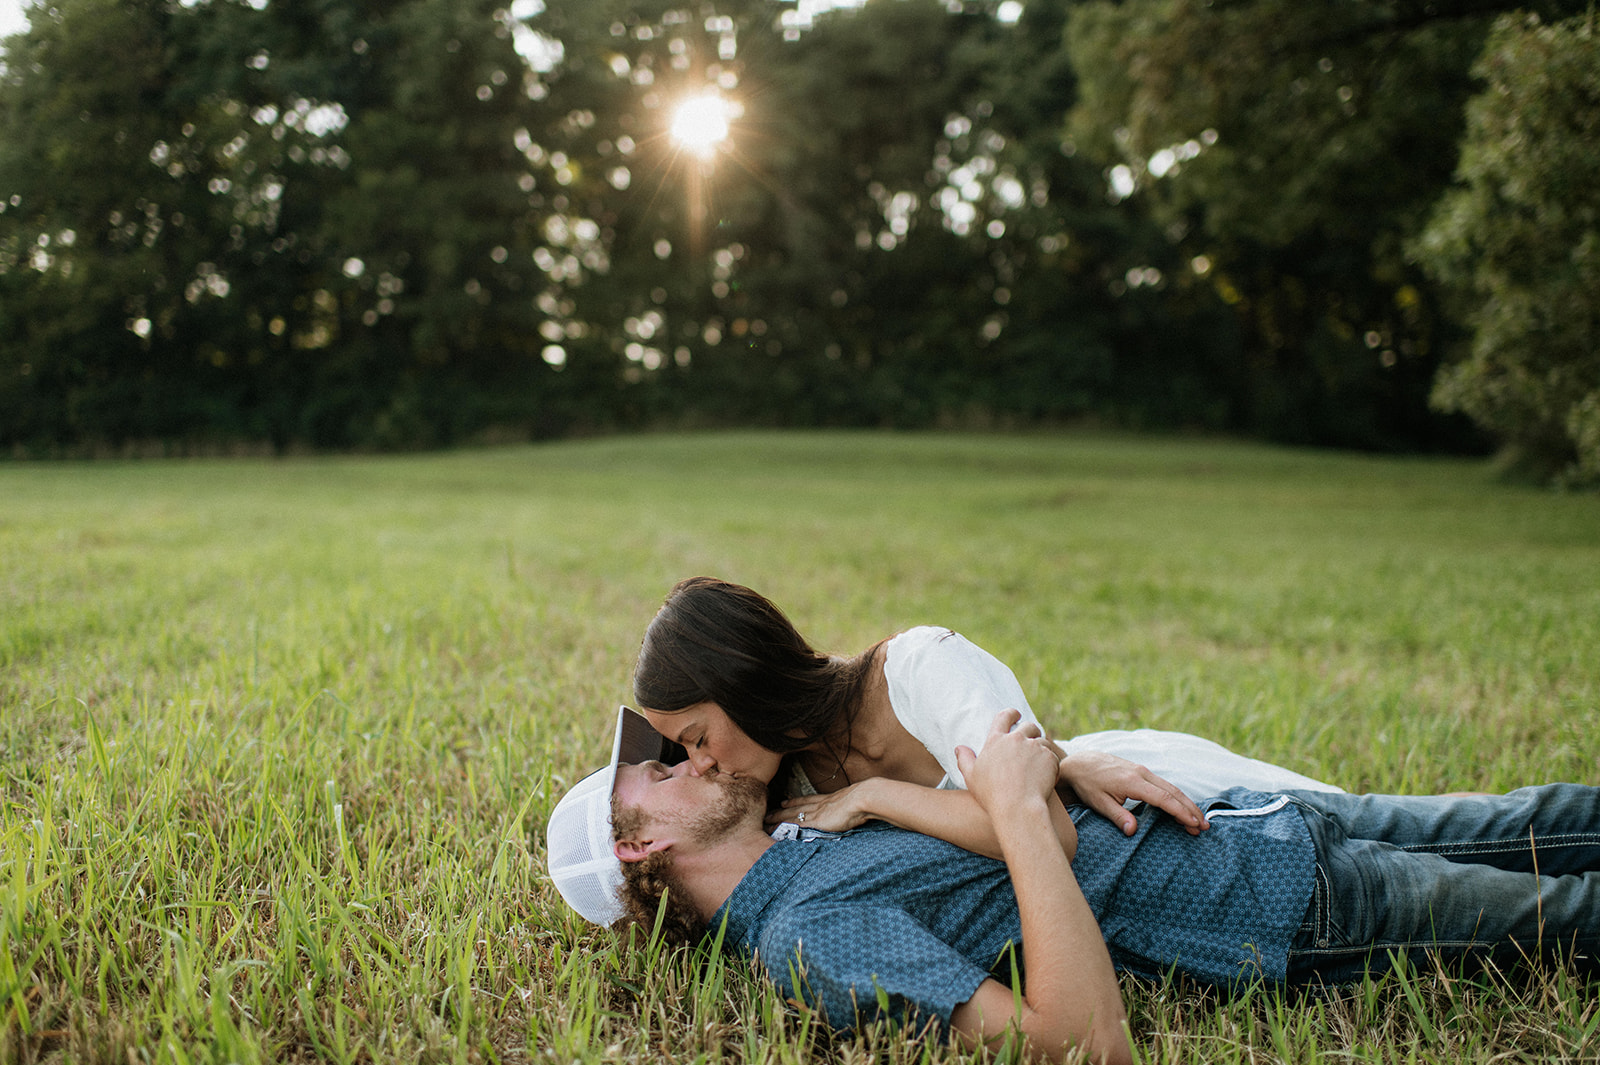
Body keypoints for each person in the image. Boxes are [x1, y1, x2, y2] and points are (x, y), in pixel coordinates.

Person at [546, 708, 1600, 1065]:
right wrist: (1015, 810)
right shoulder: (807, 941)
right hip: (1280, 906)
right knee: (1566, 917)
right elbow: (1078, 1038)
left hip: (1253, 817)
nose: (682, 757)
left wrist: (878, 789)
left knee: (1539, 815)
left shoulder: (804, 831)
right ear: (638, 850)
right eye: (651, 771)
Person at [632, 576, 1339, 856]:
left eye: (696, 737)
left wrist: (873, 797)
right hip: (1081, 790)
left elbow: (1044, 830)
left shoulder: (918, 669)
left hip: (1157, 805)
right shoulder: (789, 795)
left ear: (747, 681)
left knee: (1387, 823)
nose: (701, 765)